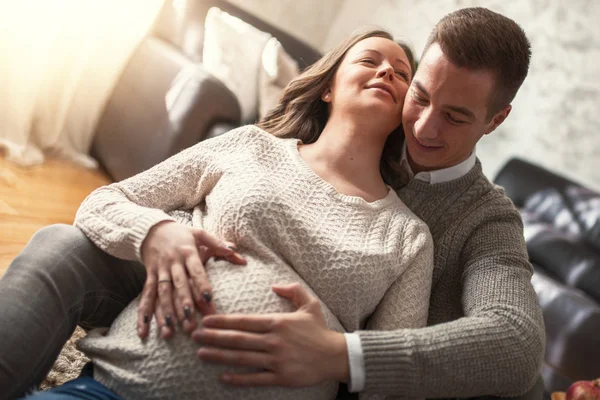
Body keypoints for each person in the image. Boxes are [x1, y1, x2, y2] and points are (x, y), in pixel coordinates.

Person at [2, 31, 434, 400]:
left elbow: (390, 380)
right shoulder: (250, 145)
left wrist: (332, 351)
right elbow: (102, 204)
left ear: (407, 112)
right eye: (369, 60)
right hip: (121, 384)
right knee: (61, 244)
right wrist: (156, 231)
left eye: (401, 74)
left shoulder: (408, 237)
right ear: (328, 87)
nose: (387, 73)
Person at [186, 7, 546, 400]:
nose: (424, 128)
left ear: (496, 119)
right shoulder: (355, 131)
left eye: (455, 117)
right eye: (420, 96)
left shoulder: (489, 221)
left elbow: (518, 339)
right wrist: (171, 230)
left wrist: (341, 356)